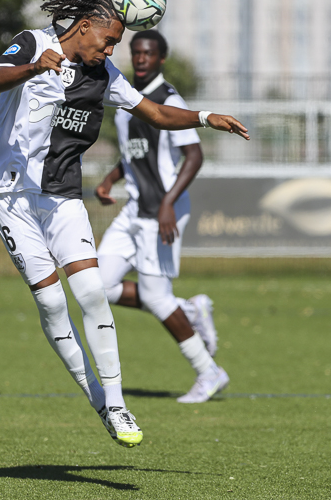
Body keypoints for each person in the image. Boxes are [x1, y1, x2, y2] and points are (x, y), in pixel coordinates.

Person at [0, 0, 248, 448]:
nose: (111, 51)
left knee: (91, 291)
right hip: (10, 194)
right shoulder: (34, 43)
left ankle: (116, 402)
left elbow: (156, 113)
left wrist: (205, 117)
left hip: (61, 194)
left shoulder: (104, 73)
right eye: (108, 41)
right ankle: (97, 399)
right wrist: (33, 68)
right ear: (85, 26)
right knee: (51, 302)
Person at [94, 29, 225, 404]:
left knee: (156, 297)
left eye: (148, 53)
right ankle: (187, 309)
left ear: (161, 58)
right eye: (136, 52)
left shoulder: (169, 98)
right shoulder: (126, 96)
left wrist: (169, 202)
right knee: (97, 285)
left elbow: (194, 156)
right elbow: (134, 153)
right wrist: (112, 177)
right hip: (135, 208)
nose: (141, 58)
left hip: (163, 211)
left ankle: (209, 372)